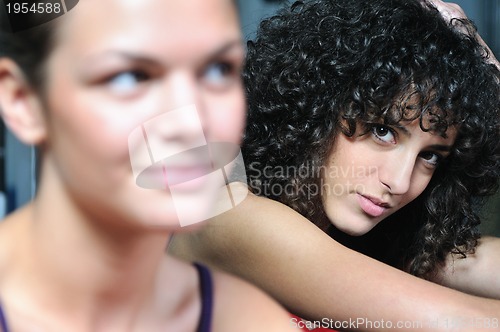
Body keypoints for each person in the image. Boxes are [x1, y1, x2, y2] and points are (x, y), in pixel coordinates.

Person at [170, 0, 500, 330]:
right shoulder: (230, 214)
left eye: (429, 156)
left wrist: (487, 77)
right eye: (383, 131)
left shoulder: (387, 241)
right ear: (320, 105)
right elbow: (459, 324)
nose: (399, 183)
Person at [0, 0, 297, 330]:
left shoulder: (253, 322)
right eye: (130, 77)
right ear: (23, 102)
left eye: (218, 69)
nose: (192, 122)